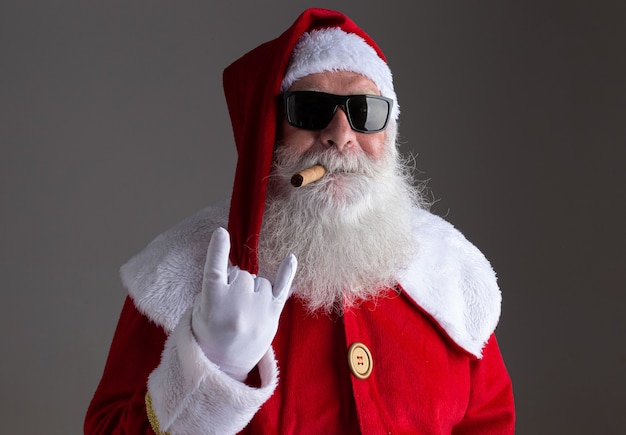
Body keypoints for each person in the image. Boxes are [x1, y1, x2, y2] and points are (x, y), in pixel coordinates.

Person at [85, 7, 515, 434]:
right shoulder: (178, 272)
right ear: (269, 131)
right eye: (310, 109)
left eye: (365, 111)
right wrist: (208, 373)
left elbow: (490, 423)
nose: (341, 134)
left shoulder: (450, 269)